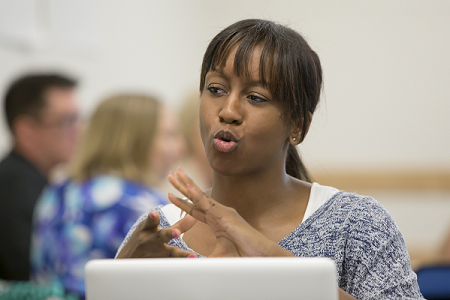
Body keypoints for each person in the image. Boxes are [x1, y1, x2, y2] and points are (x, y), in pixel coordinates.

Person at [115, 19, 424, 300]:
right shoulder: (159, 232)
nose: (228, 111)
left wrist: (274, 264)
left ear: (297, 126)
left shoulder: (356, 224)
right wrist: (117, 282)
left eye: (256, 97)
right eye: (216, 89)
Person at [31, 94, 185, 299]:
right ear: (134, 142)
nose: (180, 146)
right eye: (169, 135)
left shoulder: (57, 191)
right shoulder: (143, 206)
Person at [0, 73, 79, 281]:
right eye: (67, 121)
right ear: (27, 131)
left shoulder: (31, 180)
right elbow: (29, 273)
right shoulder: (14, 186)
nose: (78, 130)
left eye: (78, 119)